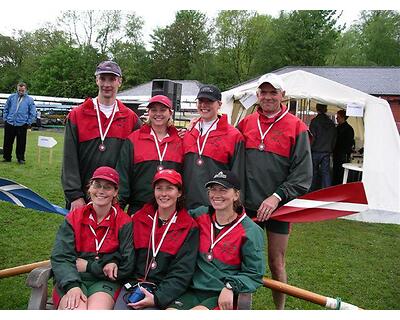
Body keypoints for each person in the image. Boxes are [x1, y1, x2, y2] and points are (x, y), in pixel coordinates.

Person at [237, 73, 312, 309]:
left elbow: (303, 175)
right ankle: (241, 308)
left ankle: (279, 311)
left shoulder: (297, 127)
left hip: (279, 208)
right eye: (264, 92)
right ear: (257, 95)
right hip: (247, 207)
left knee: (276, 262)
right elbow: (234, 161)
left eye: (273, 92)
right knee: (243, 260)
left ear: (283, 96)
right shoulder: (246, 123)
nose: (268, 97)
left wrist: (276, 197)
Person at [168, 170, 265, 310]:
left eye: (223, 190)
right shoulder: (200, 215)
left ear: (236, 195)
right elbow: (174, 219)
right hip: (191, 289)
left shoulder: (251, 231)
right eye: (213, 190)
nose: (217, 195)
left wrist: (230, 286)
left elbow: (254, 274)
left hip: (220, 294)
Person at [51, 166, 135, 310]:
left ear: (115, 192)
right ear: (89, 188)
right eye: (97, 185)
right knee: (75, 309)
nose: (101, 191)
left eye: (108, 187)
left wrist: (90, 266)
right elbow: (61, 256)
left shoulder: (124, 222)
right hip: (73, 278)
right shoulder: (74, 217)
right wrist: (72, 286)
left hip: (104, 283)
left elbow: (127, 265)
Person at [114, 169, 199, 310]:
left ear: (179, 193)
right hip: (134, 286)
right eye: (159, 188)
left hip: (163, 292)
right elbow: (122, 252)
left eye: (169, 188)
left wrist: (157, 298)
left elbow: (182, 272)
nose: (164, 194)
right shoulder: (139, 218)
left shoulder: (189, 227)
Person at [62, 60, 141, 210]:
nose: (107, 84)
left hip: (113, 200)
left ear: (120, 82)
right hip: (82, 199)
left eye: (112, 79)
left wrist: (177, 133)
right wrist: (75, 196)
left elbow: (150, 140)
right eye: (103, 78)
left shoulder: (130, 118)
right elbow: (69, 159)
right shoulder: (77, 115)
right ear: (96, 80)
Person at [116, 95, 184, 215]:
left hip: (171, 210)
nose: (158, 114)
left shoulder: (180, 140)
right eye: (154, 110)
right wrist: (118, 209)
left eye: (162, 110)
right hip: (139, 209)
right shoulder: (133, 139)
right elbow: (123, 176)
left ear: (170, 113)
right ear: (148, 112)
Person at [182, 84, 245, 209]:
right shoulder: (188, 132)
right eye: (201, 101)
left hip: (215, 206)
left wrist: (236, 207)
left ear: (219, 104)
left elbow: (238, 176)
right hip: (187, 205)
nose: (204, 105)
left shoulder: (233, 136)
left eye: (209, 101)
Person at [2, 82, 36, 164]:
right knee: (7, 142)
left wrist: (28, 122)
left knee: (21, 143)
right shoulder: (11, 97)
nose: (21, 92)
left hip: (22, 124)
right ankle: (7, 158)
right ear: (17, 89)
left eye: (22, 90)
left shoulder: (30, 99)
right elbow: (6, 108)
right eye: (19, 90)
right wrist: (5, 118)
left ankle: (20, 158)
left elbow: (33, 112)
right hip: (10, 123)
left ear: (25, 89)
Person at [309, 103, 336, 190]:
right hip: (326, 151)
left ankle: (312, 191)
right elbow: (334, 137)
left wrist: (309, 148)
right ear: (326, 109)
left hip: (315, 150)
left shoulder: (315, 121)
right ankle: (327, 191)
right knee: (326, 173)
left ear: (317, 109)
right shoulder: (331, 122)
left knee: (313, 172)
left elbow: (312, 137)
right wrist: (331, 148)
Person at [332, 109, 355, 185]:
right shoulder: (347, 128)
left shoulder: (346, 129)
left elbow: (348, 143)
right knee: (337, 172)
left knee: (339, 173)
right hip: (340, 153)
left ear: (342, 117)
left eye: (337, 117)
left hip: (342, 154)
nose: (336, 118)